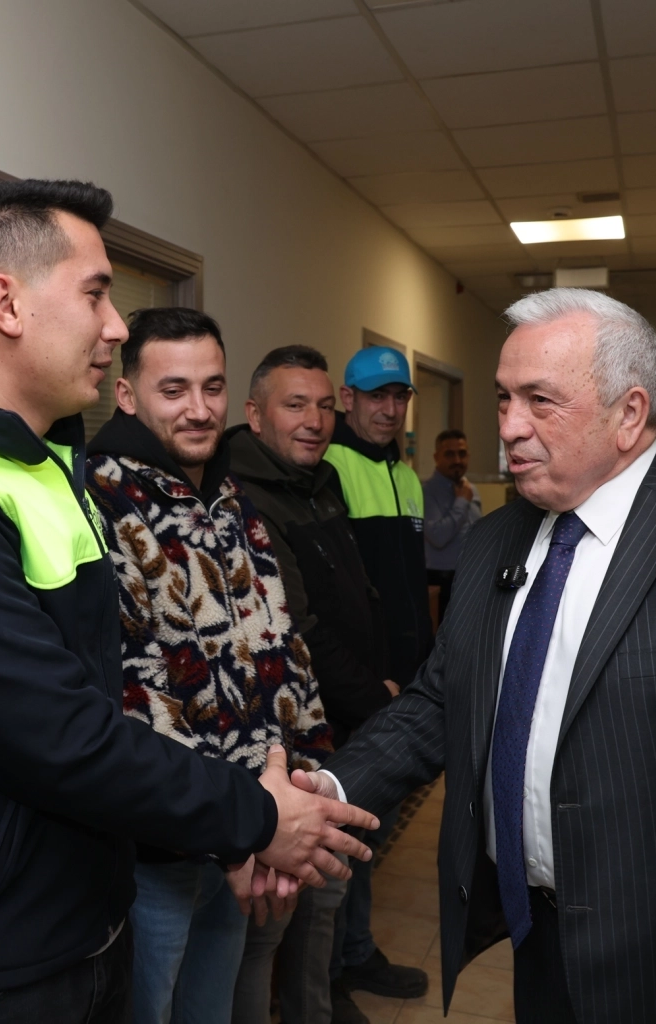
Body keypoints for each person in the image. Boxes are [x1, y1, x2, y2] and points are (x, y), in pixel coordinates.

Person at [0, 179, 377, 1024]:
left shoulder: (46, 466)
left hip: (82, 918)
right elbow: (58, 734)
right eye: (95, 294)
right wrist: (253, 817)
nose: (116, 327)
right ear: (7, 304)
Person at [306, 288, 656, 1023]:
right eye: (504, 397)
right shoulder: (494, 540)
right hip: (537, 940)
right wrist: (326, 789)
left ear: (629, 414)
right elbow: (441, 700)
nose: (508, 426)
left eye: (540, 400)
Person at [85, 309, 333, 1024]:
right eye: (173, 390)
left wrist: (299, 788)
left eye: (212, 387)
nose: (199, 409)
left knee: (213, 1010)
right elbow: (135, 687)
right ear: (126, 395)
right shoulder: (100, 498)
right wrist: (236, 826)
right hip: (164, 844)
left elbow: (281, 648)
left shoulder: (231, 498)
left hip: (250, 825)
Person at [225, 346, 411, 1024]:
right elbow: (298, 626)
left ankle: (325, 994)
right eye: (295, 405)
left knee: (333, 877)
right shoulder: (244, 495)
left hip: (345, 716)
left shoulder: (320, 479)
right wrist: (377, 697)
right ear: (255, 415)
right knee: (282, 909)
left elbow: (361, 596)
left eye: (325, 406)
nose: (314, 420)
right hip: (293, 732)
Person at [323, 347, 433, 1008]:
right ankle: (330, 973)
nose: (390, 409)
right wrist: (367, 685)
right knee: (341, 838)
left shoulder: (407, 477)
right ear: (349, 399)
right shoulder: (330, 469)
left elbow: (409, 586)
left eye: (399, 397)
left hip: (403, 687)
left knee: (367, 830)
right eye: (376, 396)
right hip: (357, 691)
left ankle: (355, 952)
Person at [423, 428, 480, 616]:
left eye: (462, 454)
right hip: (442, 581)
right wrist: (461, 502)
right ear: (436, 457)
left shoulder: (471, 489)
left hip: (471, 577)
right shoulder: (426, 492)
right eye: (449, 454)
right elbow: (437, 536)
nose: (457, 460)